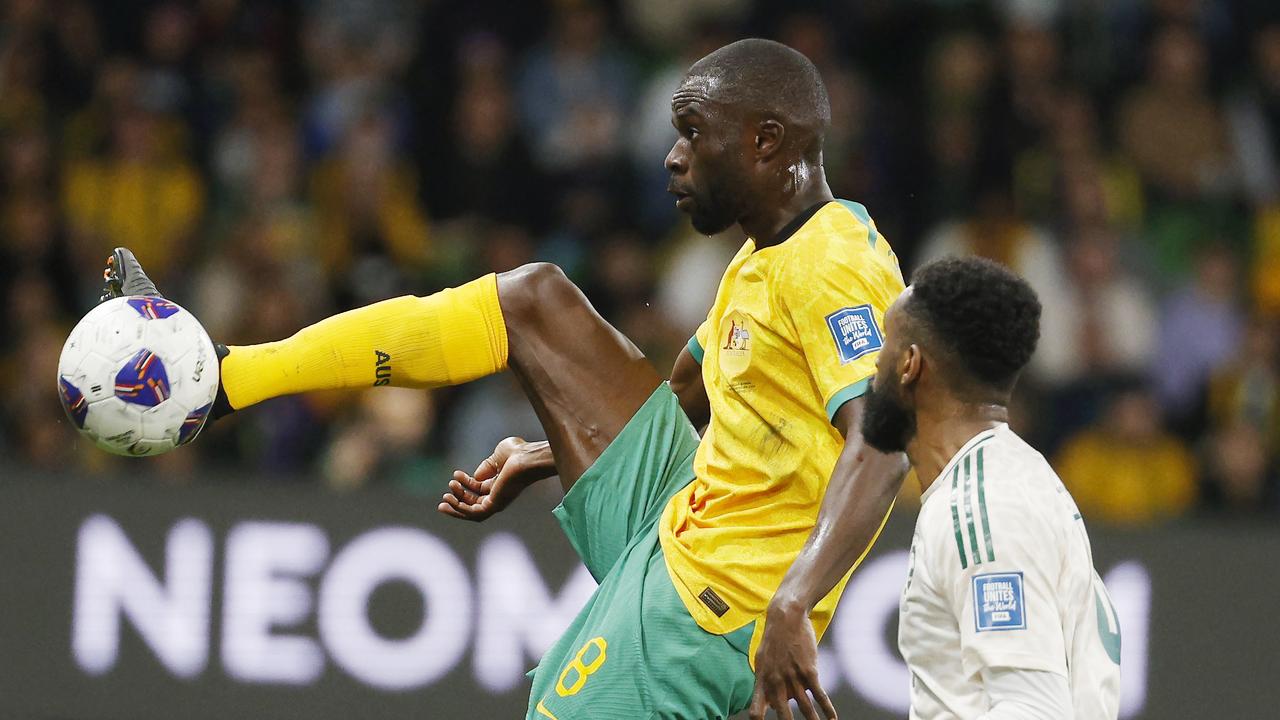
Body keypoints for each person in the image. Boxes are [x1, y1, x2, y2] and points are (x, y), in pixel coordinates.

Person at [99, 38, 909, 720]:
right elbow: (691, 394)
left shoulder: (830, 268)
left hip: (712, 608)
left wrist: (794, 603)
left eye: (695, 133)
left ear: (766, 141)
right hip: (685, 515)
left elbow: (881, 446)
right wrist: (549, 449)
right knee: (535, 303)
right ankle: (225, 378)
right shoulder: (767, 250)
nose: (673, 154)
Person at [859, 256, 1121, 719]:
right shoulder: (1007, 479)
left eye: (885, 342)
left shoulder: (985, 505)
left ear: (910, 365)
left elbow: (1032, 711)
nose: (872, 365)